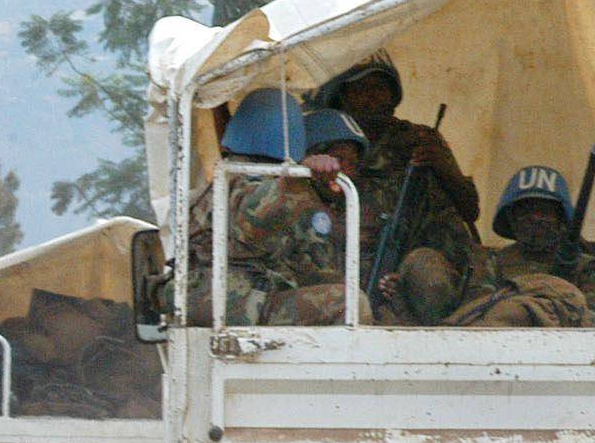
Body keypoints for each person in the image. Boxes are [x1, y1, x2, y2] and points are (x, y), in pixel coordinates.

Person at [314, 51, 481, 322]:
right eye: (362, 89)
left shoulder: (421, 139)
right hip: (354, 258)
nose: (373, 98)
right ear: (343, 97)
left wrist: (443, 167)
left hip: (422, 259)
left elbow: (470, 209)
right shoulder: (327, 140)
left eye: (381, 88)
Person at [186, 90, 370, 326]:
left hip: (242, 302)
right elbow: (252, 224)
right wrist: (294, 182)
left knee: (348, 295)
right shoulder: (239, 178)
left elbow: (309, 266)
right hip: (234, 305)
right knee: (350, 304)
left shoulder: (239, 176)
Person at [446, 165, 595, 327]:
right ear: (511, 219)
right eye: (526, 211)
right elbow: (476, 314)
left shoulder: (588, 269)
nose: (535, 218)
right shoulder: (491, 263)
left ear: (561, 220)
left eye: (545, 212)